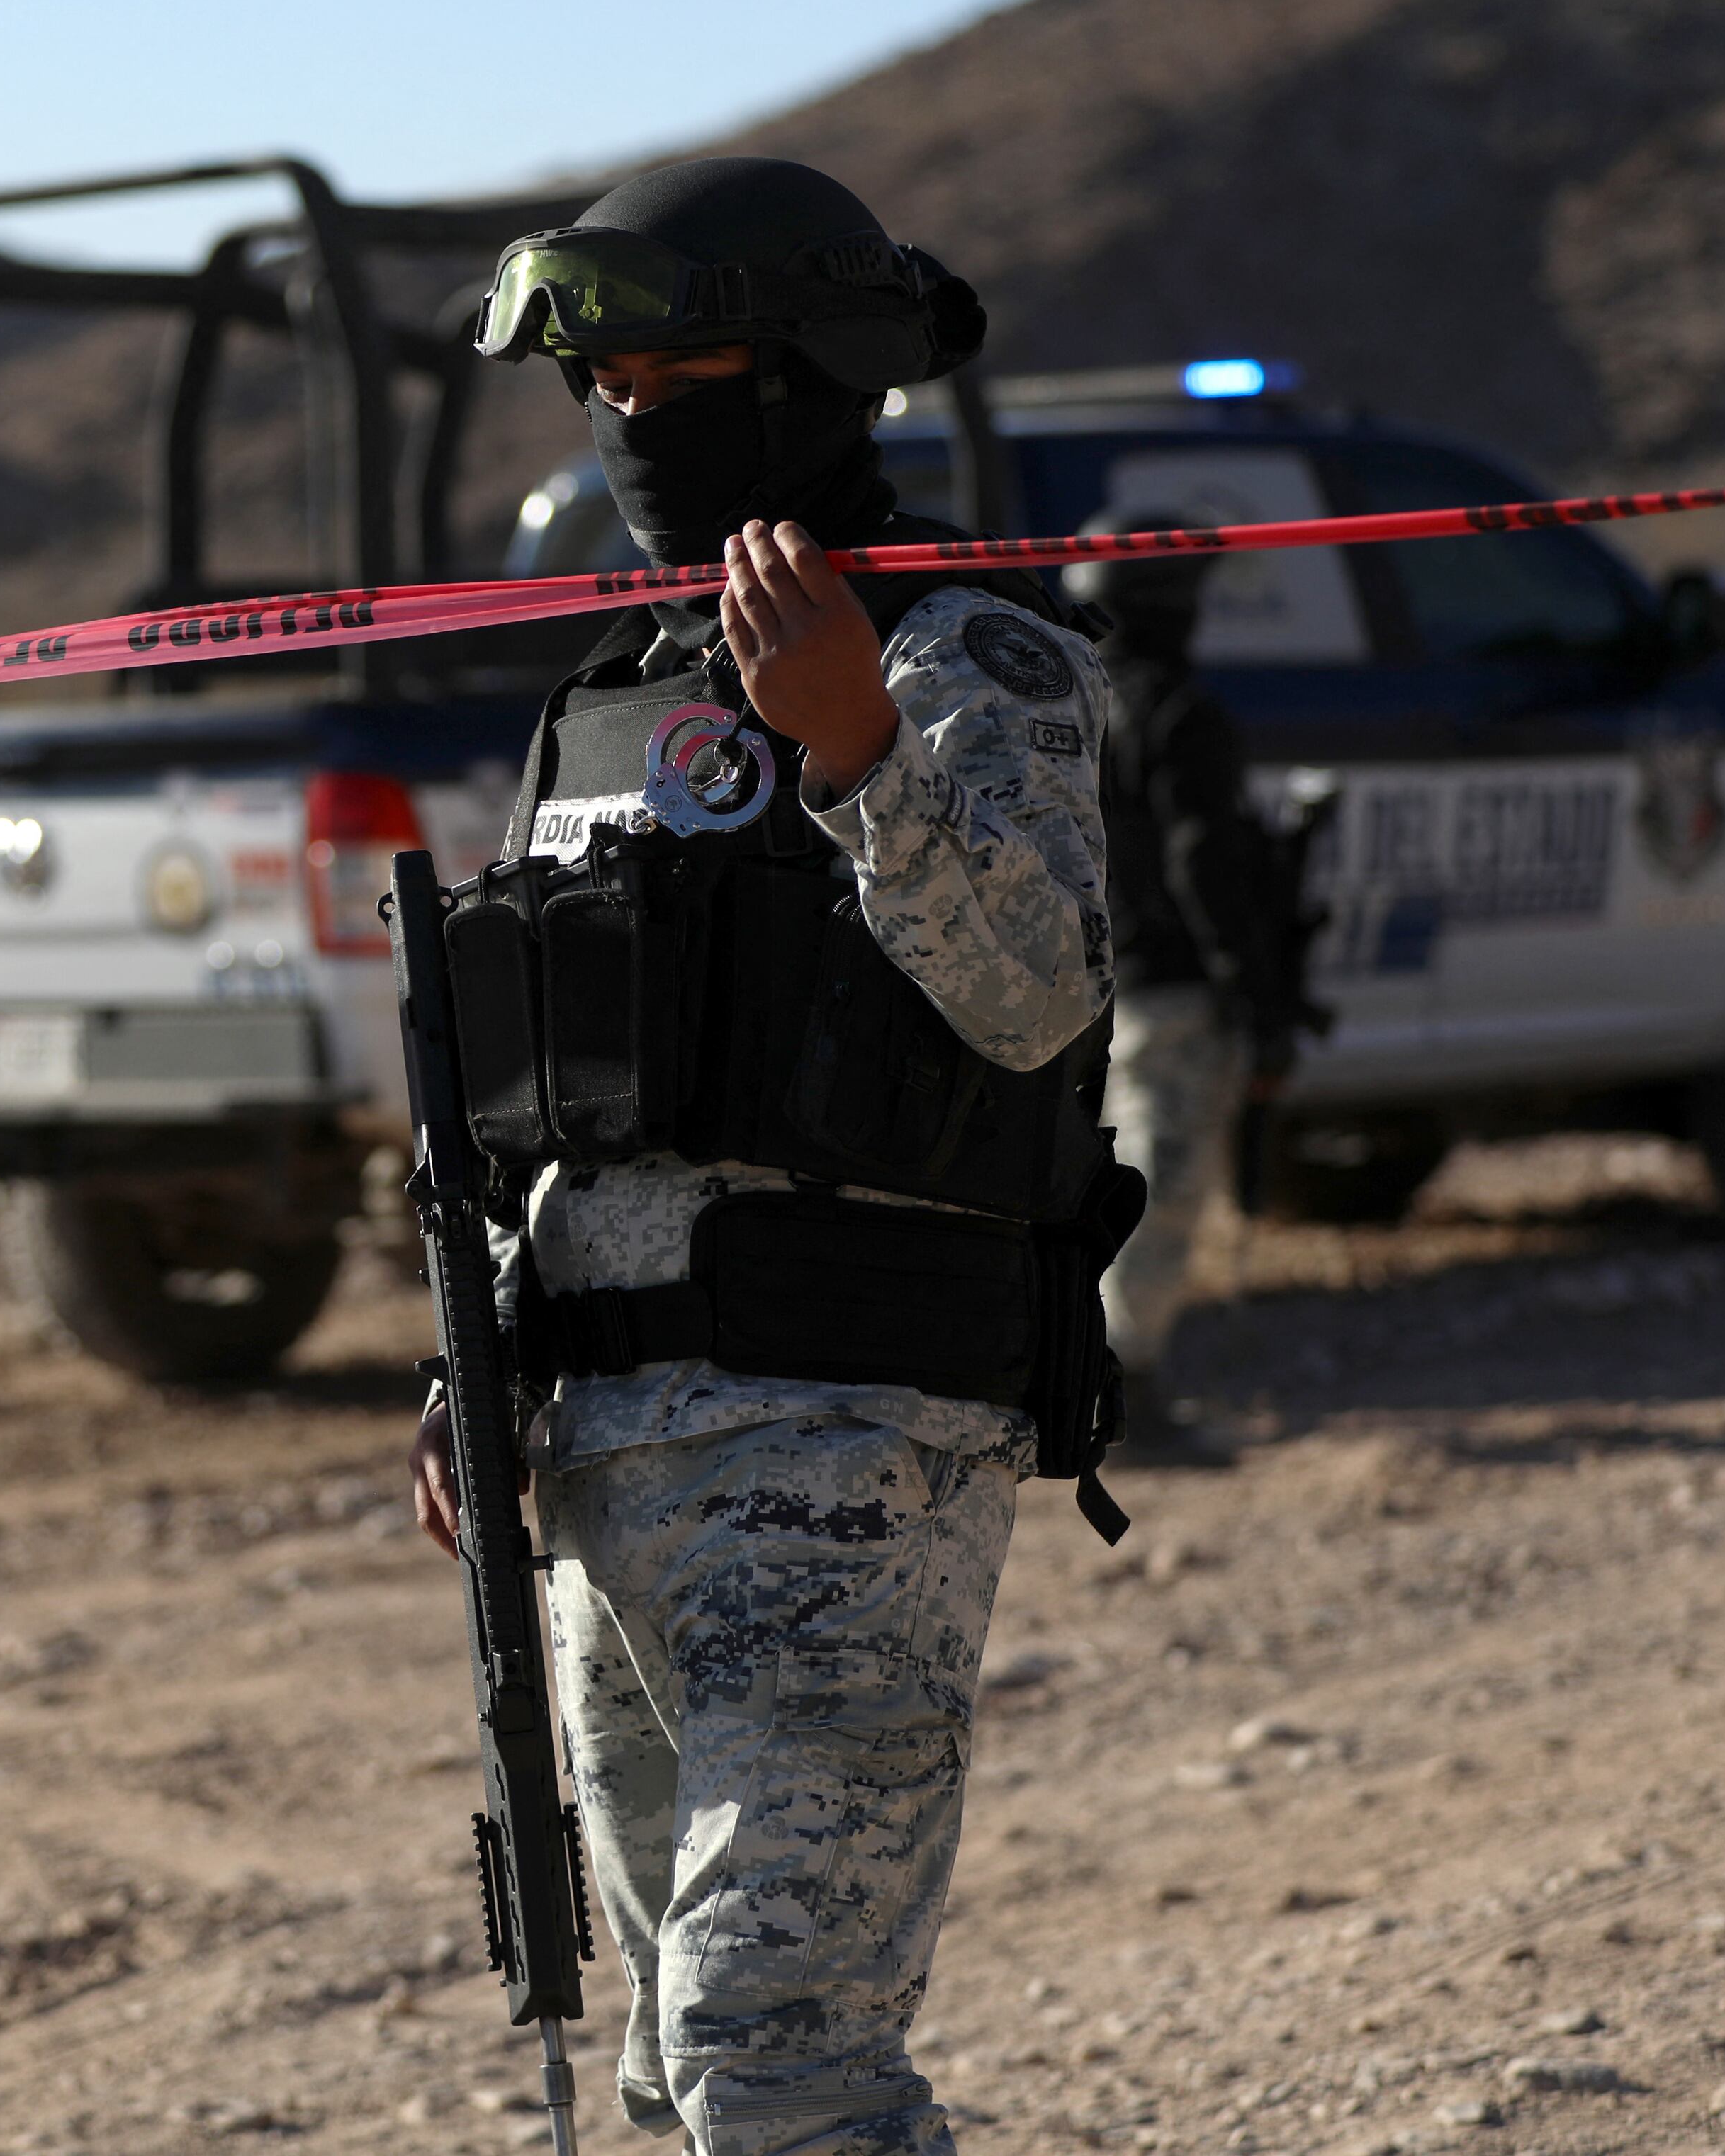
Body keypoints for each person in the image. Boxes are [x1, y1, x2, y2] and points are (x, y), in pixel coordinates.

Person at [413, 158, 1127, 2156]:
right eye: (602, 376)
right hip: (604, 1453)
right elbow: (524, 1099)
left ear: (810, 370)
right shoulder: (606, 708)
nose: (631, 409)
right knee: (676, 2052)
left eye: (676, 363)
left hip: (845, 1439)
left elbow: (1038, 999)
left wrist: (861, 759)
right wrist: (464, 1364)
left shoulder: (973, 666)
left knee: (780, 2049)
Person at [1067, 525, 1300, 1460]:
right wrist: (1256, 993)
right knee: (1160, 1193)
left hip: (1086, 990)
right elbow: (1208, 865)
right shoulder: (1180, 716)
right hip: (1169, 990)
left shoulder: (1077, 707)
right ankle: (1124, 1396)